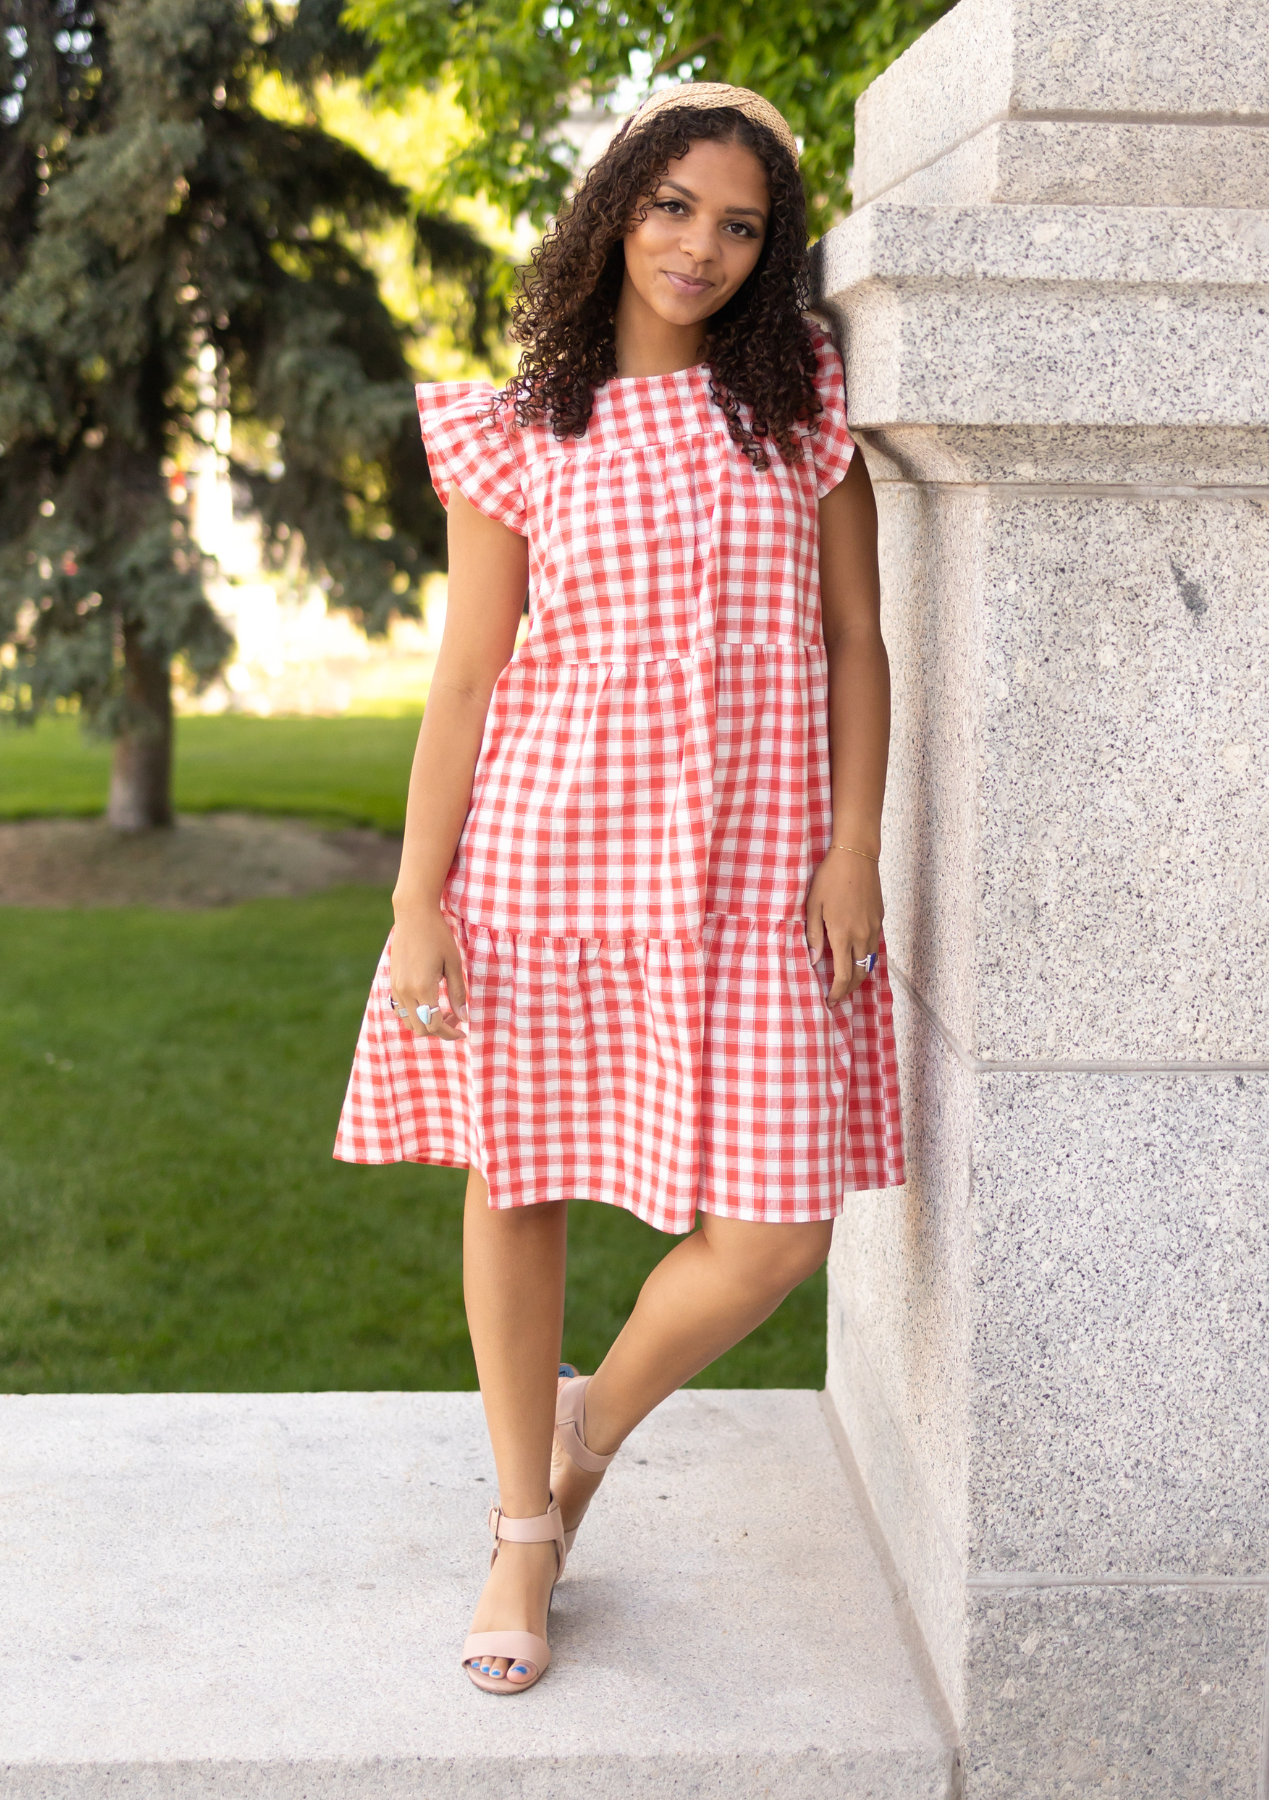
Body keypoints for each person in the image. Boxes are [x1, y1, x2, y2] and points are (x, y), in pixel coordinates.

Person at [335, 82, 904, 1695]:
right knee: (517, 1180)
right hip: (544, 847)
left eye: (739, 225)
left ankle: (585, 1425)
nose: (701, 249)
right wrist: (415, 897)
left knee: (778, 1230)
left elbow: (856, 638)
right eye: (672, 210)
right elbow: (465, 680)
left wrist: (853, 844)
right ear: (612, 213)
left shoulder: (795, 397)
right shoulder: (515, 428)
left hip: (754, 871)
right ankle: (526, 1527)